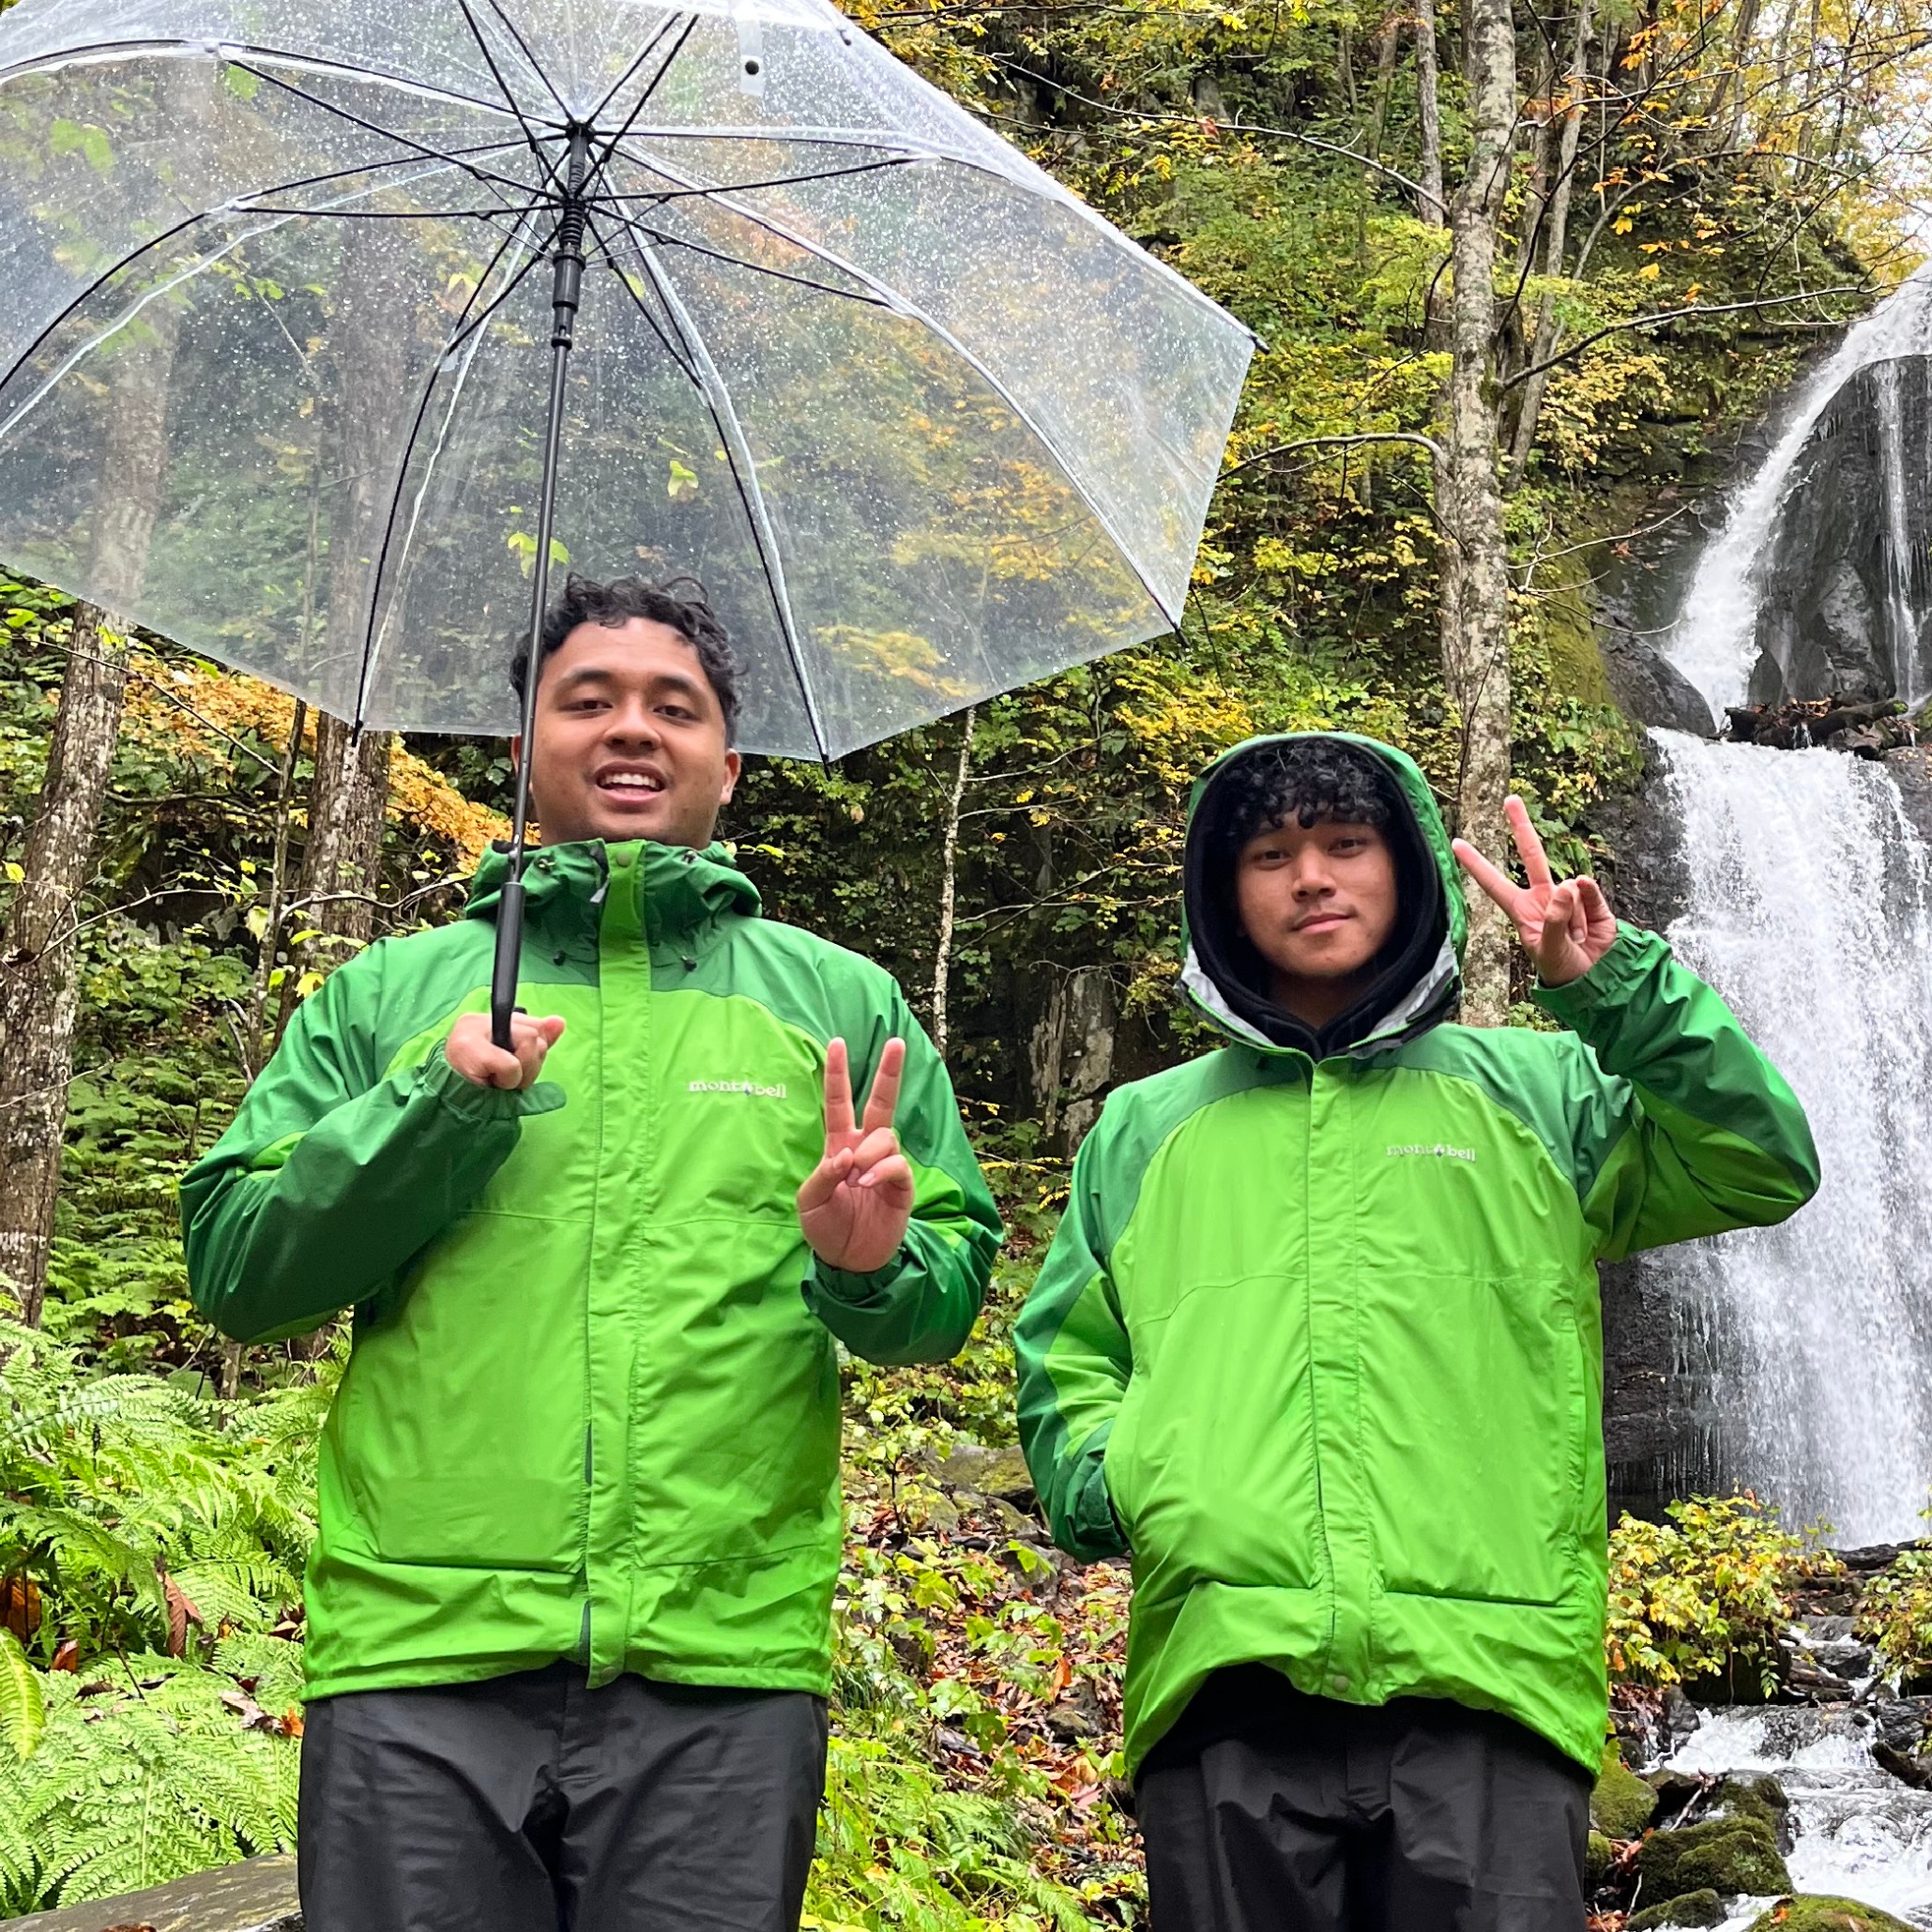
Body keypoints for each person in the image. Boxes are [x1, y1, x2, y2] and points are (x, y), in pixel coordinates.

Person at [181, 575, 1001, 1932]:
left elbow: (943, 1301)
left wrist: (868, 1265)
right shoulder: (390, 995)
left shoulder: (837, 1005)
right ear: (523, 753)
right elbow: (237, 1271)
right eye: (588, 700)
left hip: (722, 1670)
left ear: (726, 764)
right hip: (417, 1658)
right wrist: (430, 1109)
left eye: (673, 706)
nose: (631, 728)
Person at [1013, 732, 1818, 1932]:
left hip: (1488, 1684)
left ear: (1406, 869)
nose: (1312, 877)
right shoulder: (1143, 1128)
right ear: (1222, 892)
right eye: (1271, 854)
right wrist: (1120, 1480)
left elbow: (1760, 1161)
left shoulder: (1540, 1092)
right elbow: (1069, 1351)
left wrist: (1617, 993)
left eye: (1346, 843)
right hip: (1226, 1679)